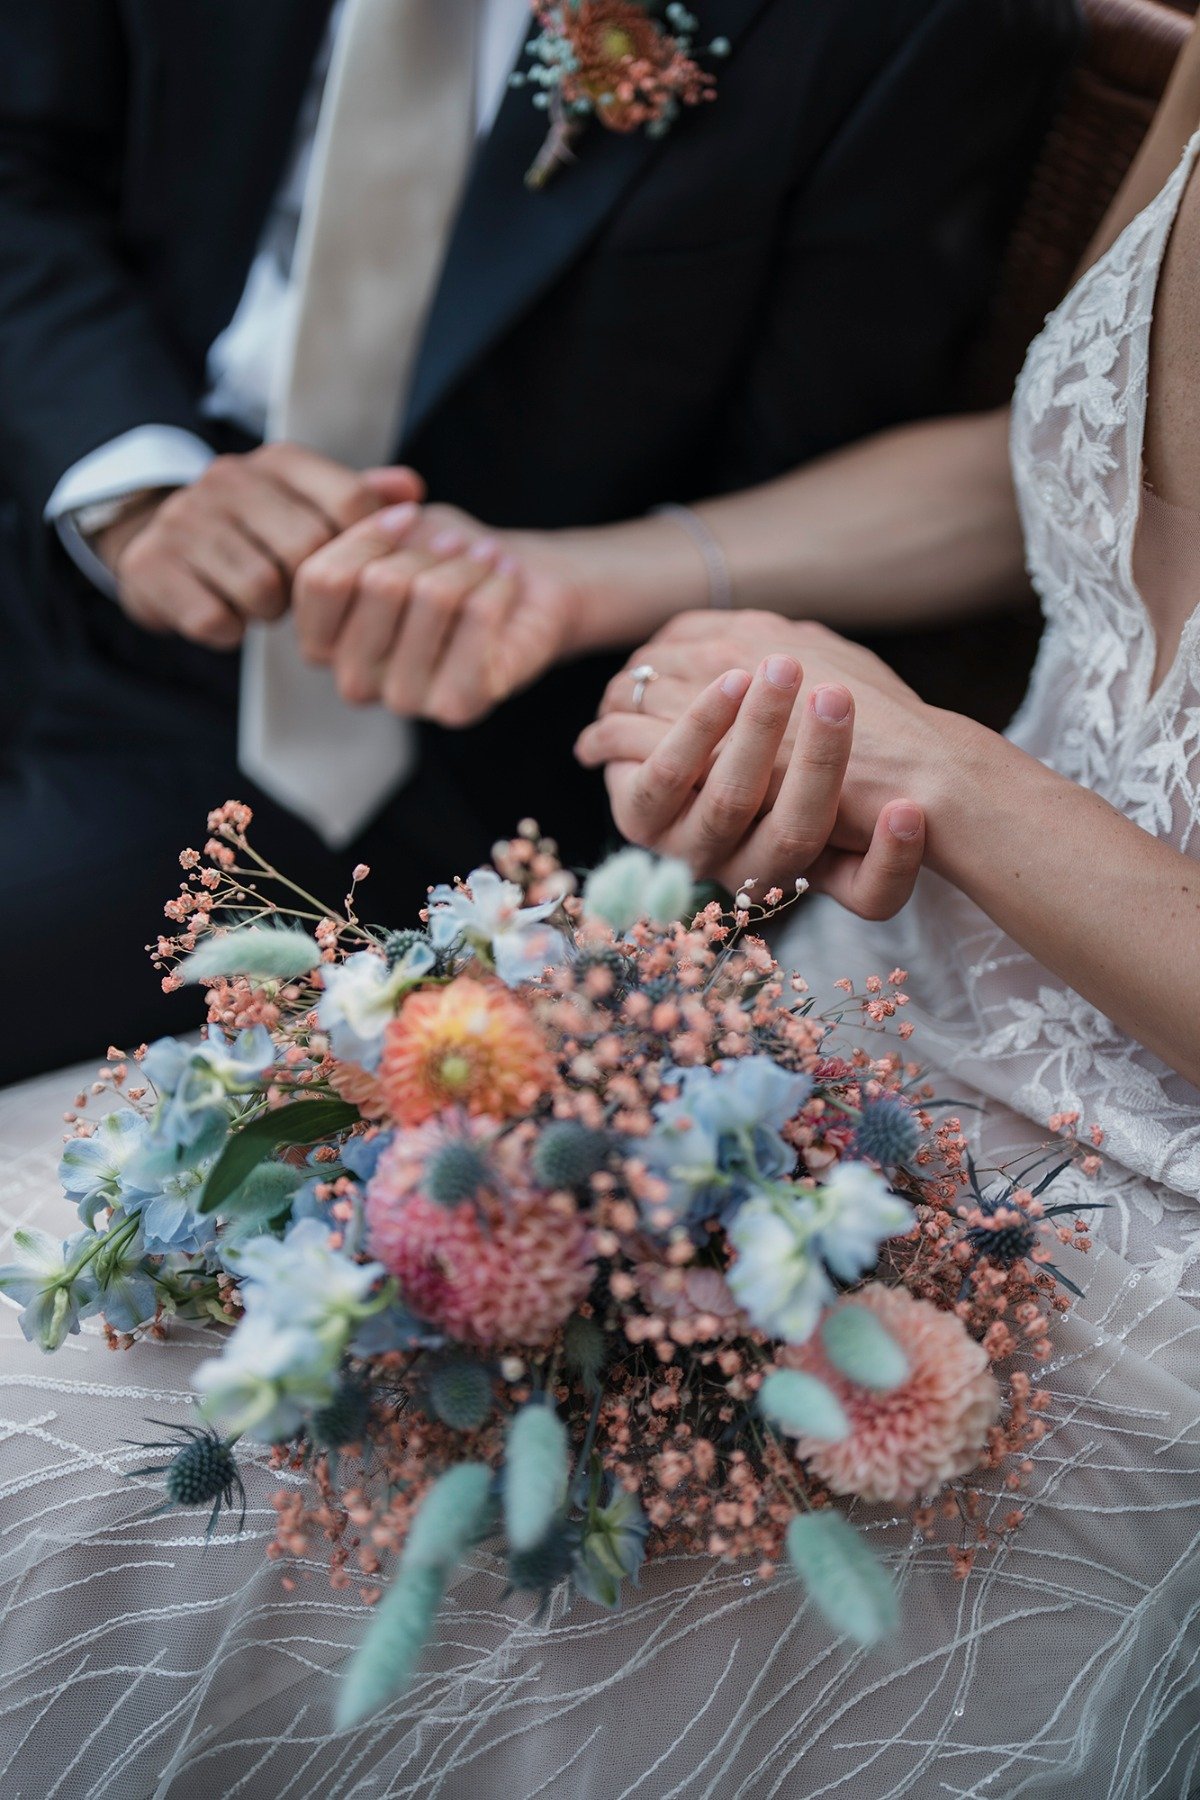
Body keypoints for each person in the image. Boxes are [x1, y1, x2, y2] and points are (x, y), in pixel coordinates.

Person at [0, 0, 1078, 1078]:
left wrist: (549, 590)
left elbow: (817, 475)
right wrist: (129, 481)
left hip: (388, 731)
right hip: (79, 471)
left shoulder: (900, 28)